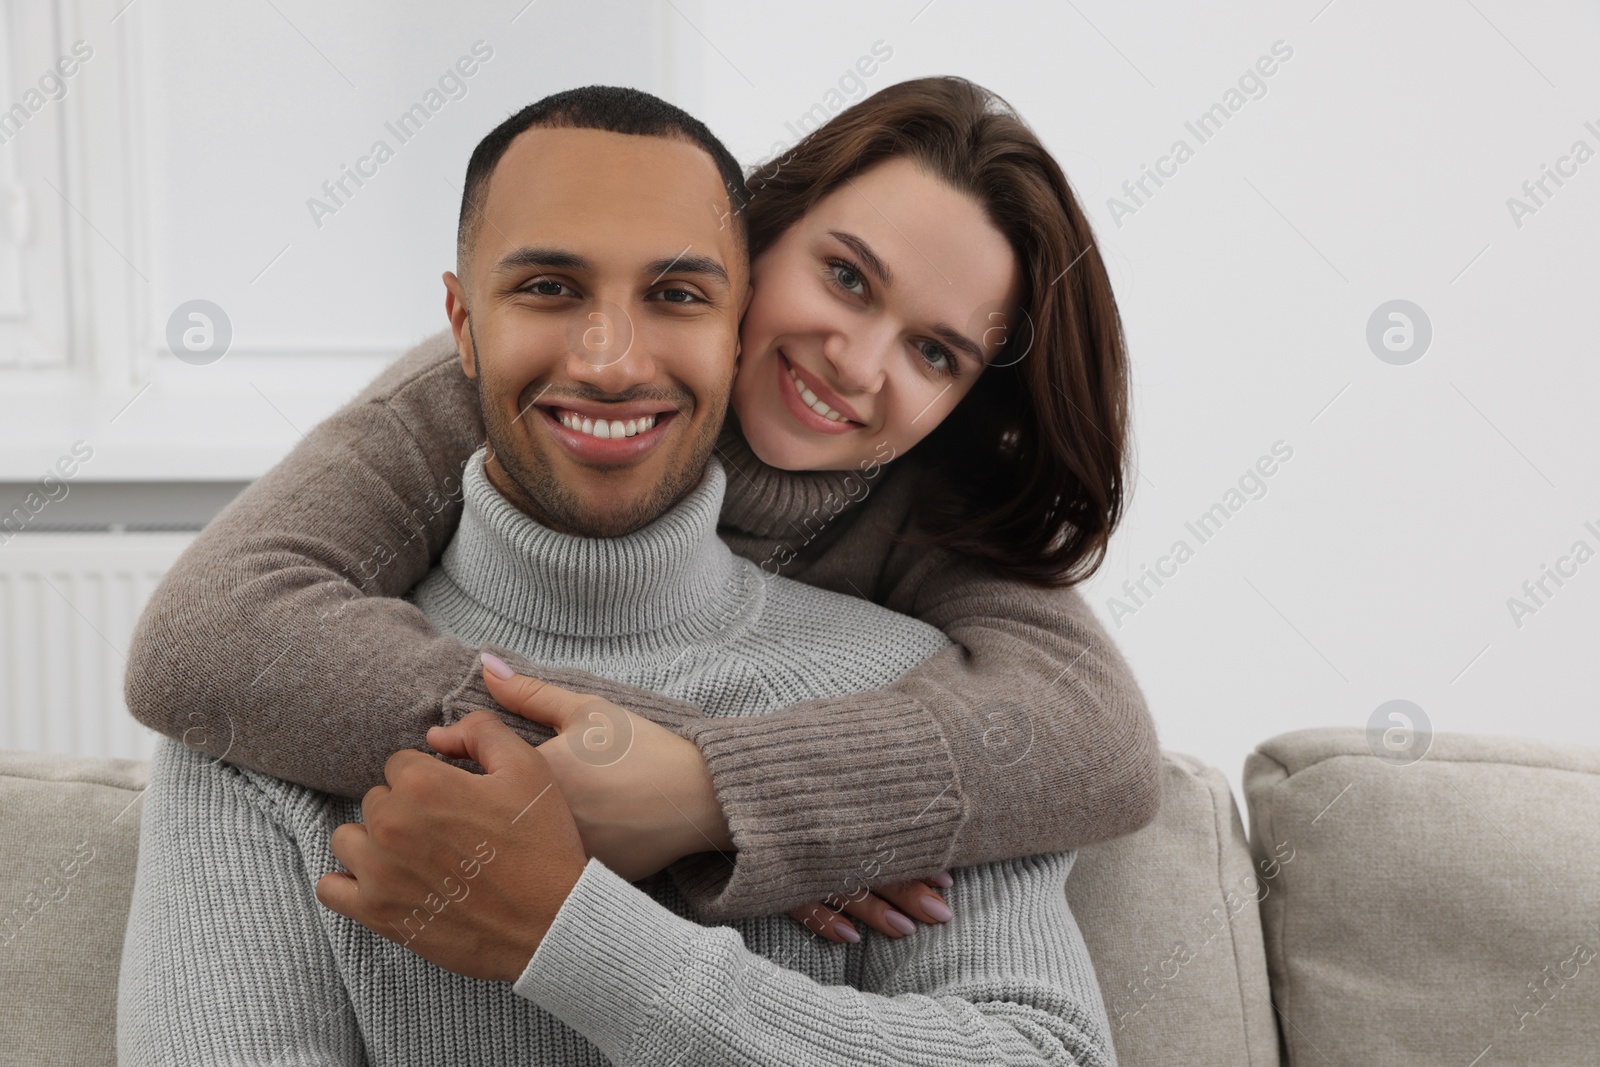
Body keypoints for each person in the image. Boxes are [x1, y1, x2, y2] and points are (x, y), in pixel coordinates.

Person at [117, 86, 1117, 1065]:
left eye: (935, 351)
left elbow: (1095, 735)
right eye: (847, 278)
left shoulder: (917, 657)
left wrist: (591, 918)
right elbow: (202, 632)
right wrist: (627, 755)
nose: (857, 363)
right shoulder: (270, 700)